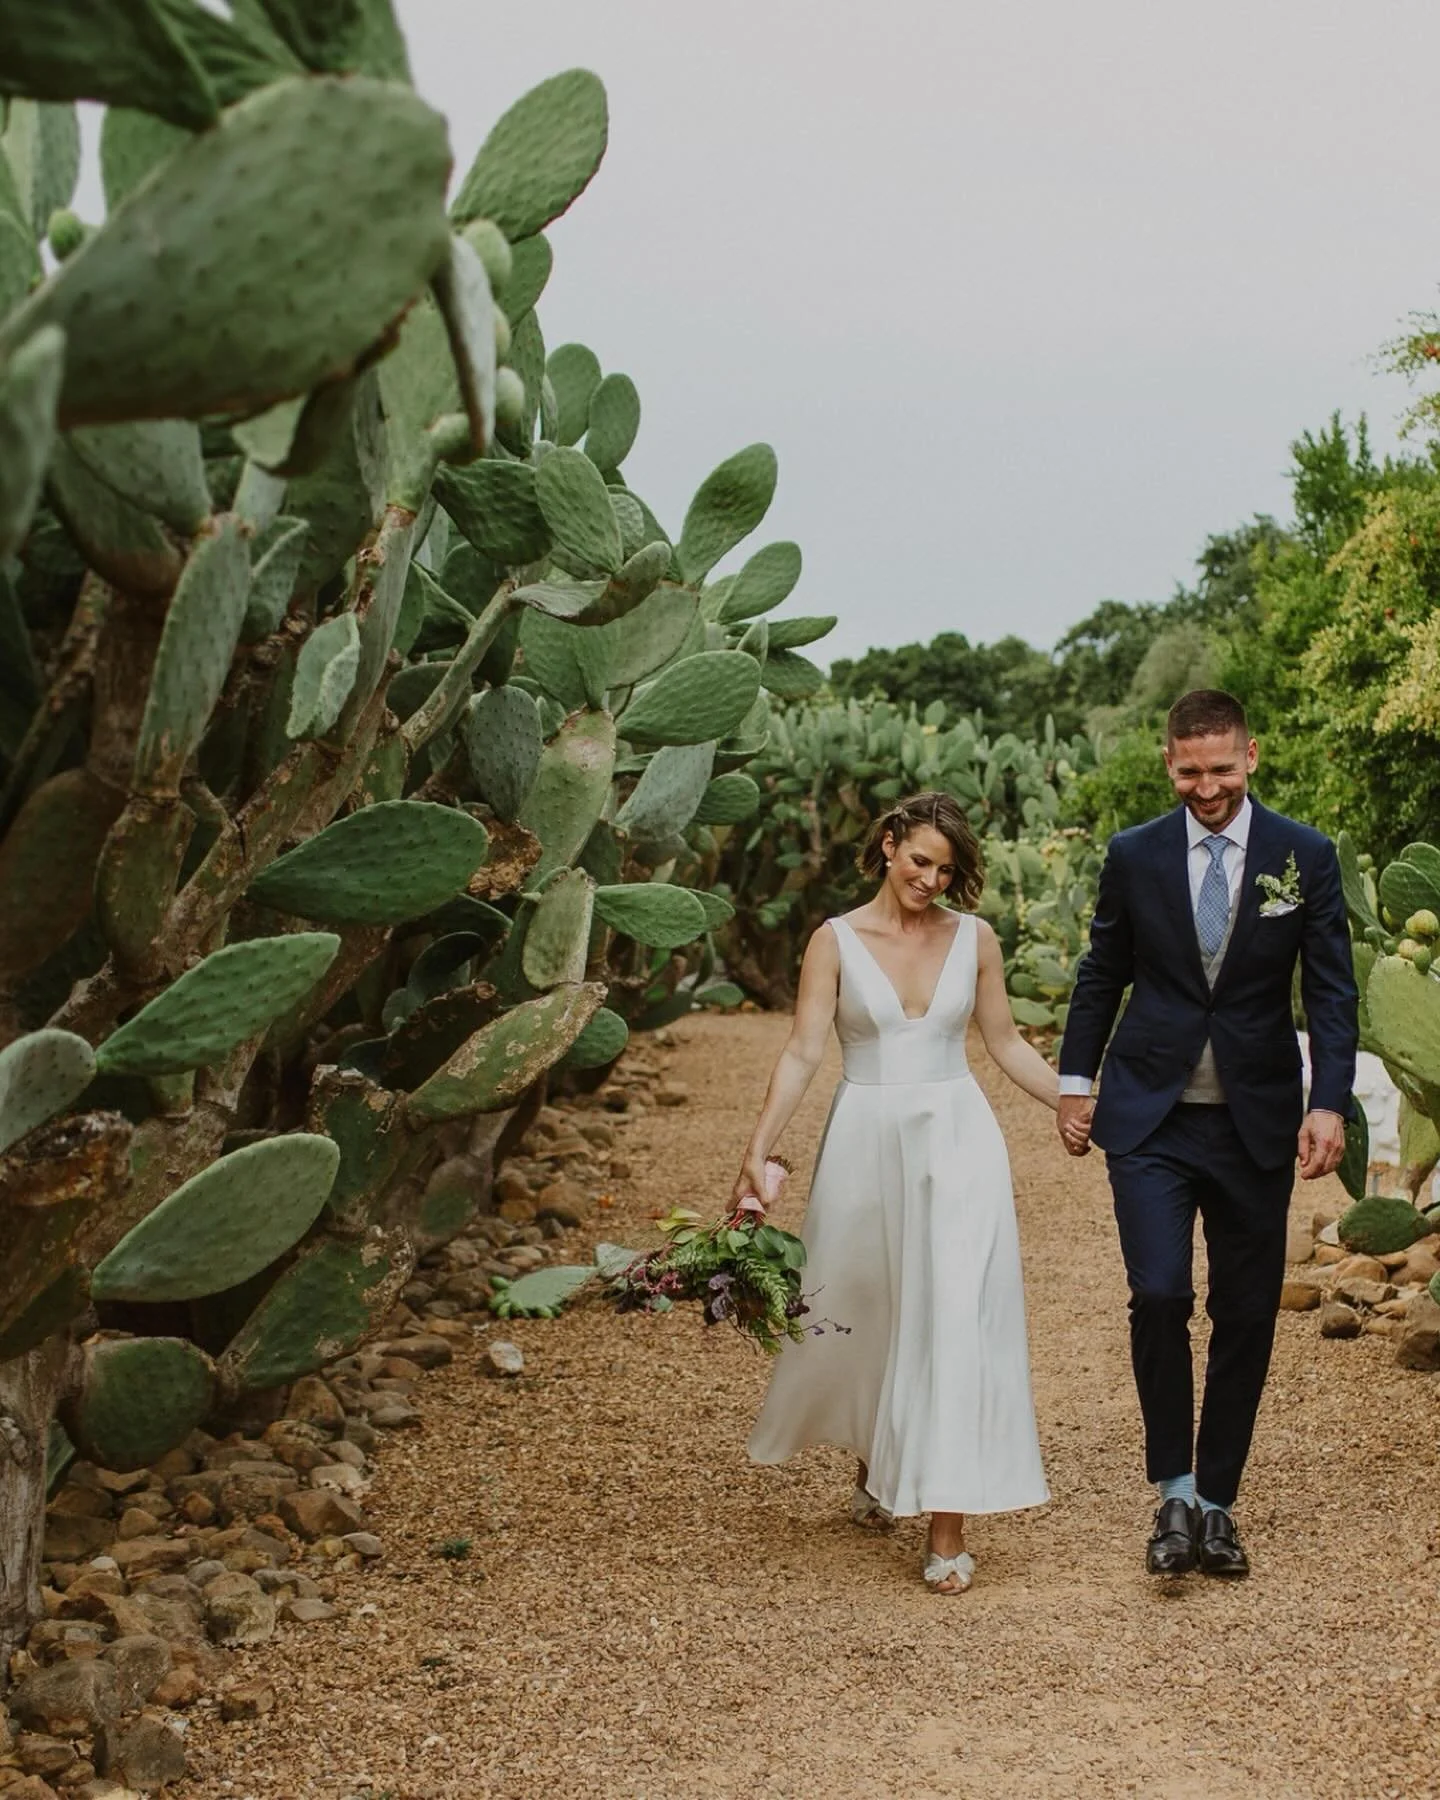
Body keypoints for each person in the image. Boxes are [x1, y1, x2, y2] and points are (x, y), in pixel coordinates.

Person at [1057, 689, 1357, 1579]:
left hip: (1257, 1120)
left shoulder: (1305, 855)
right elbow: (1102, 968)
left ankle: (1218, 1503)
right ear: (1168, 764)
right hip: (1149, 1114)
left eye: (1221, 768)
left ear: (1251, 757)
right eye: (1190, 771)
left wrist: (1329, 1101)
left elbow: (1333, 991)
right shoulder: (1135, 854)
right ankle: (1174, 1492)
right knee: (1158, 1296)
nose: (1206, 786)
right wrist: (1077, 1086)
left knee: (1247, 1312)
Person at [736, 790, 1057, 1594]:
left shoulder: (974, 940)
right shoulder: (835, 940)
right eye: (920, 861)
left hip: (958, 1140)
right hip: (864, 1139)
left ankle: (946, 1530)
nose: (931, 881)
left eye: (947, 871)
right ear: (887, 846)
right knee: (869, 1307)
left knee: (953, 1313)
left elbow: (1007, 1043)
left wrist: (1080, 1104)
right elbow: (805, 1050)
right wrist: (759, 1147)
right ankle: (877, 1463)